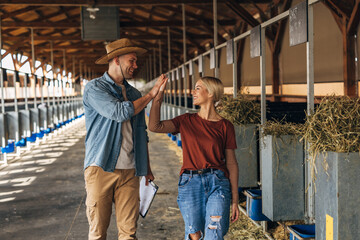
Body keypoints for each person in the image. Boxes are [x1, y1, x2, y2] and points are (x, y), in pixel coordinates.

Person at [82, 38, 167, 240]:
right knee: (98, 232)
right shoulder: (95, 88)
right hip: (101, 167)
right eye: (132, 60)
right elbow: (118, 112)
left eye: (136, 61)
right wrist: (151, 94)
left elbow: (140, 132)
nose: (135, 66)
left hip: (130, 170)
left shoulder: (133, 93)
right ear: (116, 60)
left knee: (129, 232)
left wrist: (146, 167)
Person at [149, 76, 240, 240]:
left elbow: (232, 163)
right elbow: (154, 126)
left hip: (217, 183)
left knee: (214, 233)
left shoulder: (225, 126)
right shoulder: (186, 120)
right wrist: (158, 96)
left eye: (198, 88)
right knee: (194, 235)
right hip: (190, 182)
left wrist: (235, 199)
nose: (192, 92)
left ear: (211, 93)